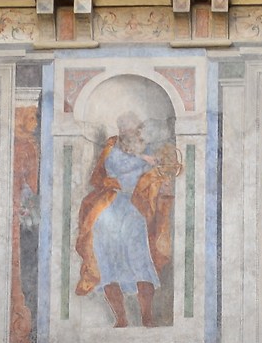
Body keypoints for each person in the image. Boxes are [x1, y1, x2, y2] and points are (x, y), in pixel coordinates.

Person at [74, 113, 182, 328]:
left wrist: (161, 174)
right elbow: (114, 166)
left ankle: (147, 317)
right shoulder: (113, 148)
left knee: (140, 260)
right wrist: (142, 160)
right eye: (124, 128)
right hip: (111, 204)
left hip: (136, 207)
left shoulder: (148, 149)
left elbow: (158, 173)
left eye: (132, 128)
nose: (129, 132)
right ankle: (121, 319)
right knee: (106, 263)